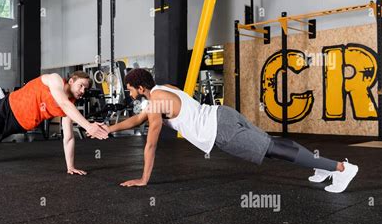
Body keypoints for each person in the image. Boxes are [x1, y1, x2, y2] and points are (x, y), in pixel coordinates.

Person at [105, 68, 358, 193]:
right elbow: (138, 119)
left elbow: (150, 143)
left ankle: (340, 169)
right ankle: (321, 166)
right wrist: (109, 128)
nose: (128, 93)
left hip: (220, 131)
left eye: (129, 89)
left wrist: (144, 179)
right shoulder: (163, 88)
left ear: (139, 87)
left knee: (272, 150)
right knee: (271, 145)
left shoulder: (156, 100)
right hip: (222, 113)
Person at [0, 71, 109, 174]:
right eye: (81, 86)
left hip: (20, 123)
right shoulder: (55, 79)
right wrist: (88, 125)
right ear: (71, 81)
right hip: (9, 106)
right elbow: (61, 101)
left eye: (86, 88)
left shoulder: (70, 107)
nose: (83, 91)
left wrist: (70, 166)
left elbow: (68, 138)